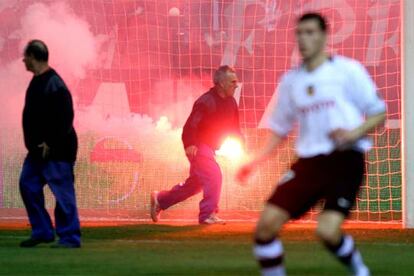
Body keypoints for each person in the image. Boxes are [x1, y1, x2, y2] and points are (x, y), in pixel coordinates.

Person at [237, 13, 386, 276]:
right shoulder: (291, 82)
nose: (304, 39)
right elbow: (280, 130)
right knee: (265, 227)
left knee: (327, 232)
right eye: (300, 33)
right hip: (309, 164)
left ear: (324, 36)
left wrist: (353, 133)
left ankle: (360, 270)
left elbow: (378, 112)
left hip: (345, 159)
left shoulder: (347, 70)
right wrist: (255, 160)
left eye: (310, 32)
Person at [150, 65, 242, 225]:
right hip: (198, 146)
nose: (236, 85)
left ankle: (160, 199)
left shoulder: (232, 103)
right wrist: (190, 144)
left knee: (195, 185)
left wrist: (241, 143)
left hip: (210, 148)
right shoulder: (206, 101)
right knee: (214, 175)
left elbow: (235, 128)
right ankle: (208, 214)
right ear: (221, 83)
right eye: (233, 82)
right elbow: (190, 125)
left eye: (236, 81)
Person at [19, 40, 81, 248]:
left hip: (57, 151)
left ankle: (70, 237)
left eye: (26, 56)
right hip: (38, 151)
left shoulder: (54, 83)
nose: (23, 60)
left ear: (34, 57)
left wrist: (50, 143)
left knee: (62, 192)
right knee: (27, 184)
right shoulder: (37, 81)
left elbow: (65, 117)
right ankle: (43, 231)